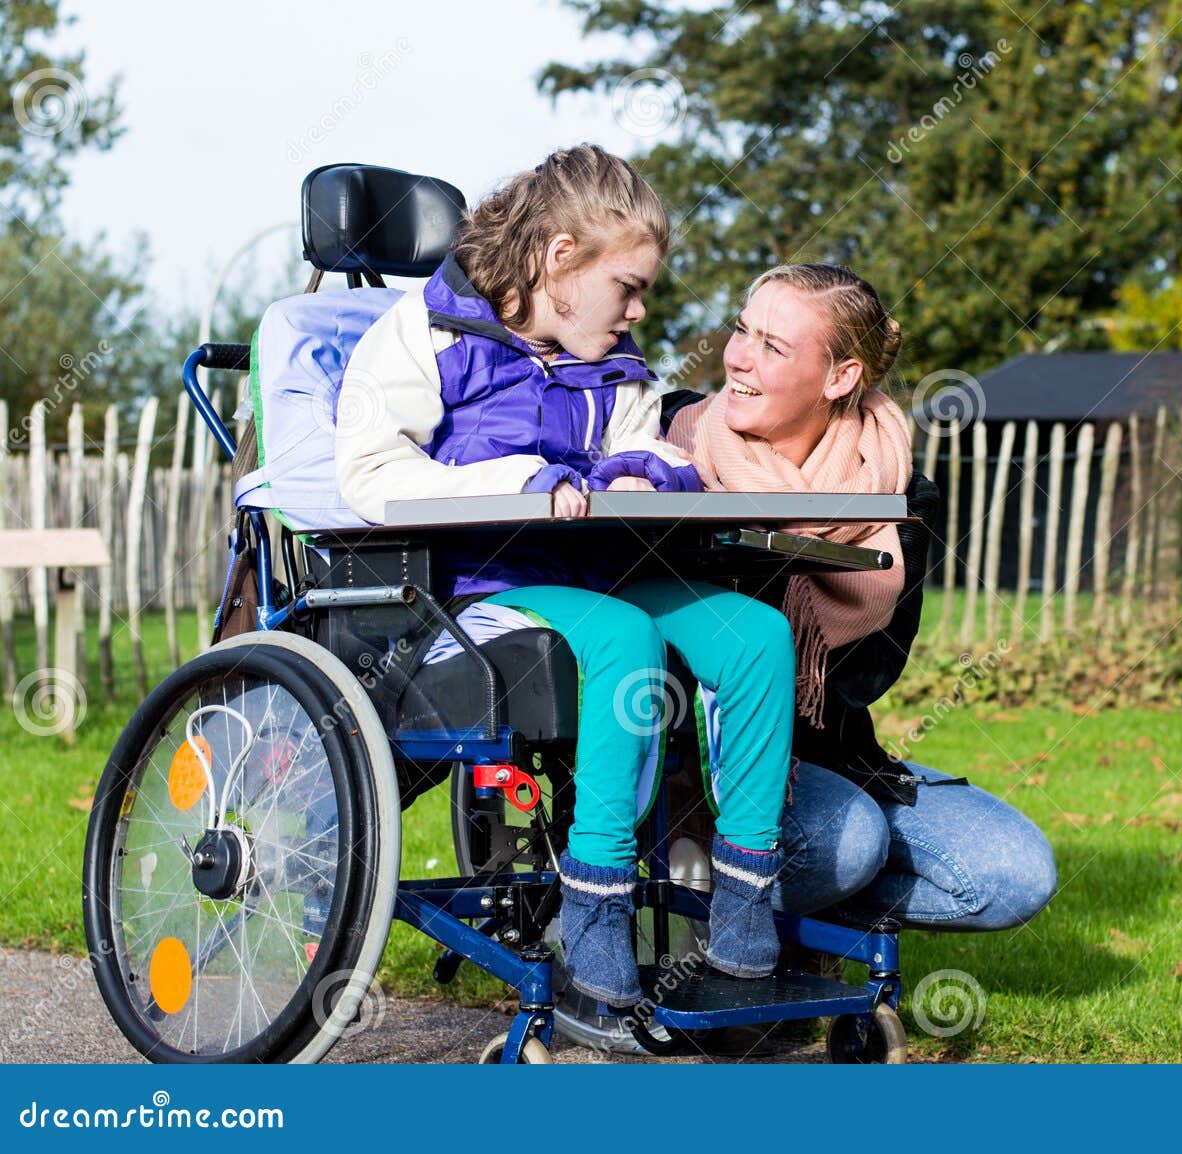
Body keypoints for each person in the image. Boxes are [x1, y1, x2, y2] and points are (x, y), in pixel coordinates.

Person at [333, 146, 794, 1008]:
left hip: (599, 571)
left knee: (756, 637)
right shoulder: (425, 335)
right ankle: (594, 909)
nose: (639, 308)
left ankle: (742, 901)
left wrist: (645, 471)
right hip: (475, 588)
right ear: (559, 260)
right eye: (628, 286)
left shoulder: (610, 353)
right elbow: (367, 477)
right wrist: (520, 480)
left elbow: (643, 439)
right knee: (625, 638)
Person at [664, 263, 1056, 935]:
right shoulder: (673, 456)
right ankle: (693, 896)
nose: (738, 358)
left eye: (773, 346)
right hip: (683, 764)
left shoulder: (898, 496)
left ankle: (780, 909)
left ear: (841, 377)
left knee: (1012, 874)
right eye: (741, 330)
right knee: (849, 844)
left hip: (821, 756)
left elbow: (861, 677)